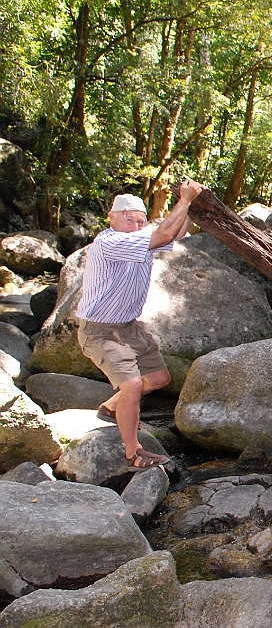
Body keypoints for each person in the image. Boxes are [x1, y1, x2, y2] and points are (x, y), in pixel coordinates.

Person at [76, 179, 205, 470]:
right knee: (133, 384)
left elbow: (174, 234)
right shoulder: (109, 242)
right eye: (129, 218)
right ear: (112, 217)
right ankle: (133, 452)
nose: (135, 224)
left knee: (159, 380)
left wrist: (191, 205)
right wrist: (184, 200)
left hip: (129, 326)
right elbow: (162, 234)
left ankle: (111, 407)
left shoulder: (140, 241)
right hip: (100, 330)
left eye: (140, 220)